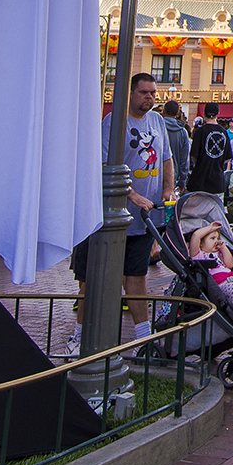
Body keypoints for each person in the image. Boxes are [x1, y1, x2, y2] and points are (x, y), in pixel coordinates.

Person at [93, 74, 174, 353]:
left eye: (153, 93)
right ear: (130, 93)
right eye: (143, 92)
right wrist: (132, 195)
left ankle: (143, 336)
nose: (149, 98)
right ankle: (94, 336)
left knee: (137, 275)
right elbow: (106, 164)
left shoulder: (158, 121)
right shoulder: (114, 123)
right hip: (116, 216)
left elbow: (166, 158)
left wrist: (168, 189)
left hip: (146, 217)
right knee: (107, 277)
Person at [186, 103, 232, 197]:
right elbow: (227, 157)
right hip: (217, 182)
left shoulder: (200, 132)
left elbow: (193, 156)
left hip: (199, 181)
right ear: (218, 113)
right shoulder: (224, 132)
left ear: (204, 113)